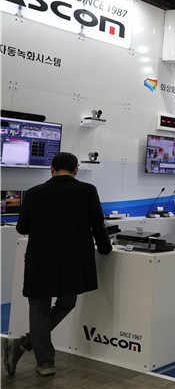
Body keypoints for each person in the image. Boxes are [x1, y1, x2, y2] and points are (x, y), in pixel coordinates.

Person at [3, 152, 112, 377]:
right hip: (73, 260)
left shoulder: (34, 193)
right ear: (76, 170)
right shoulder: (88, 191)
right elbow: (98, 225)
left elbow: (22, 228)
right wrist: (105, 249)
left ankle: (42, 360)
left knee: (39, 307)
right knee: (67, 302)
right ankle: (27, 347)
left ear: (51, 169)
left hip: (40, 259)